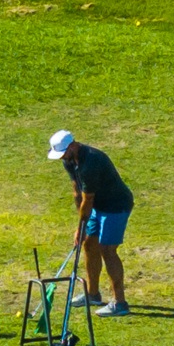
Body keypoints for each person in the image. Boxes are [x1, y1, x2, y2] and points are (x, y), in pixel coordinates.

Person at [47, 130, 133, 317]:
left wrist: (80, 226)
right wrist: (82, 227)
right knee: (89, 244)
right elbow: (77, 192)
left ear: (72, 145)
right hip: (97, 206)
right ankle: (92, 294)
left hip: (115, 206)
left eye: (63, 152)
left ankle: (120, 303)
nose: (61, 157)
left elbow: (88, 200)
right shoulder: (69, 160)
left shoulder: (91, 162)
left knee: (107, 250)